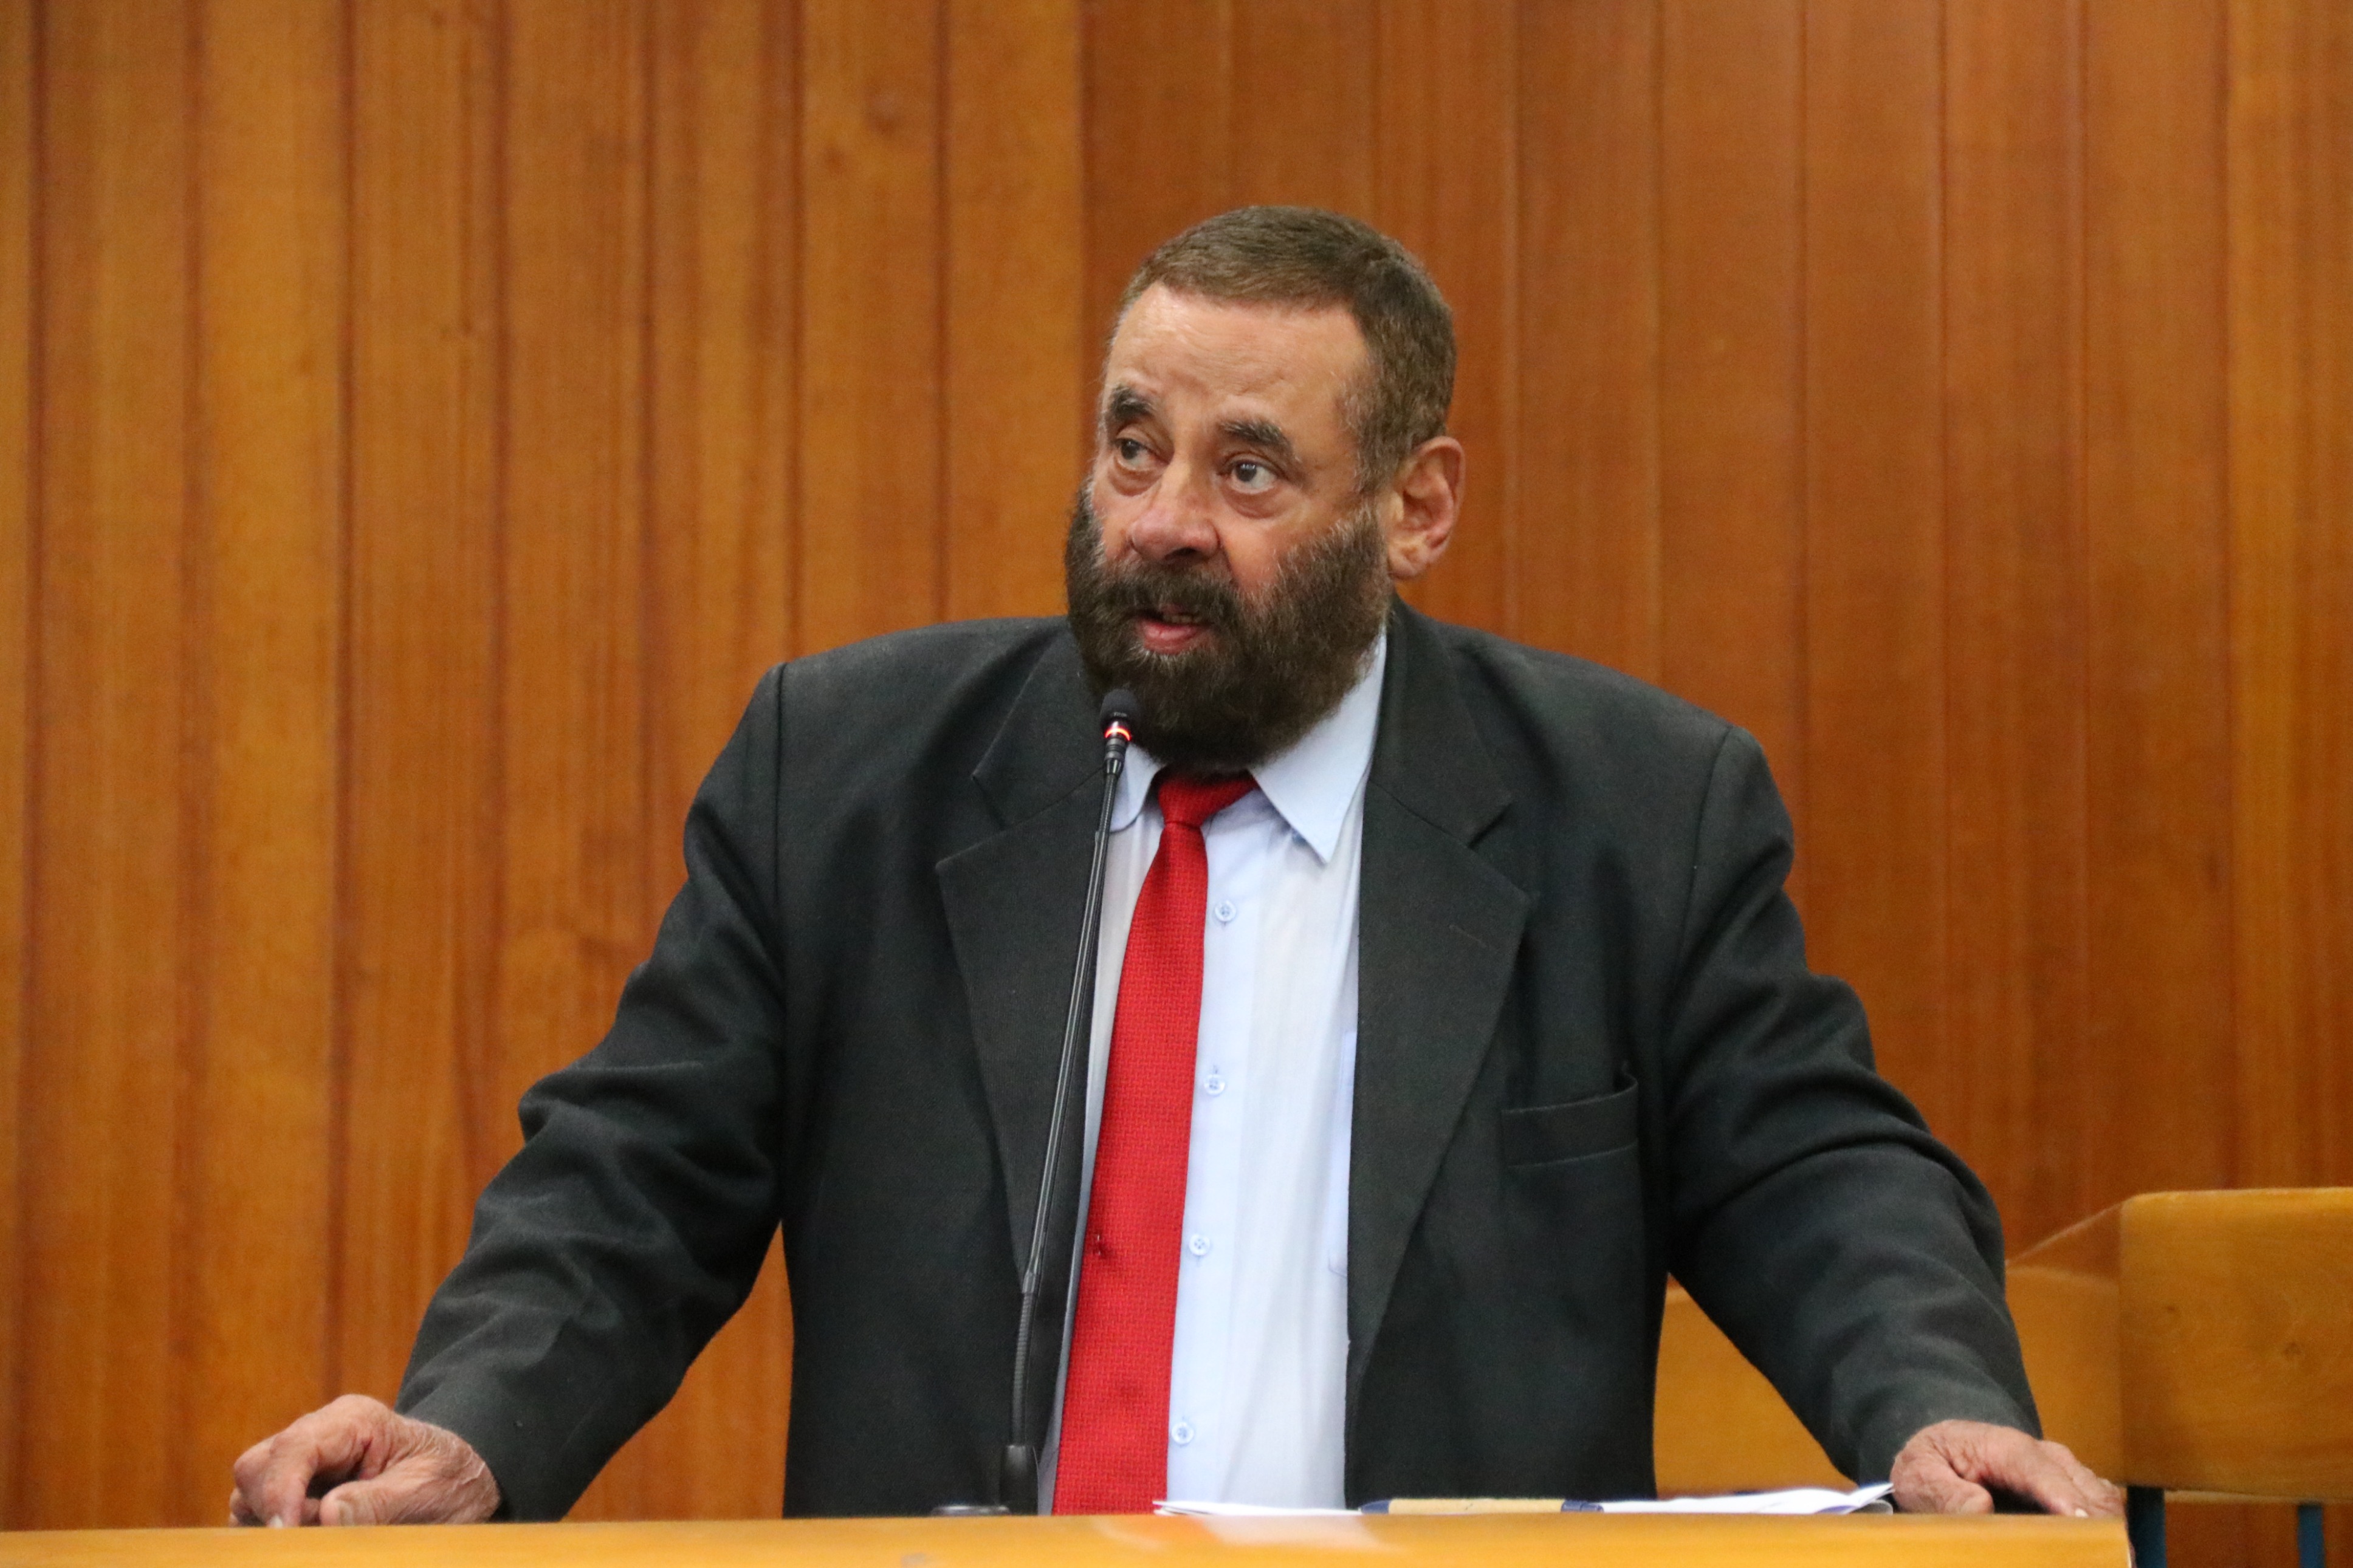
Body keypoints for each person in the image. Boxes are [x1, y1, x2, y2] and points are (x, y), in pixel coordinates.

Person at [232, 207, 2121, 1528]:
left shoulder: (1631, 809)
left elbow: (1815, 1174)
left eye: (1249, 471)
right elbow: (635, 1179)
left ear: (1419, 508)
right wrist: (470, 1427)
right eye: (1132, 450)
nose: (1161, 523)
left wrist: (1940, 1408)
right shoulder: (851, 773)